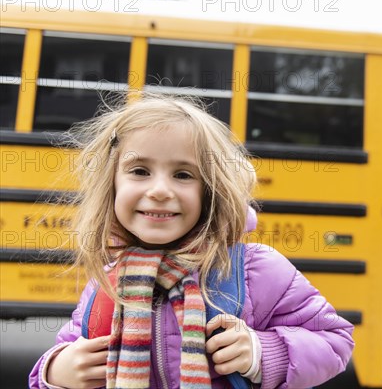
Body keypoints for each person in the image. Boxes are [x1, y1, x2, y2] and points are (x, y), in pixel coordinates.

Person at [29, 95, 354, 388]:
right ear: (111, 185)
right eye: (140, 171)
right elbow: (72, 343)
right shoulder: (109, 278)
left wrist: (263, 352)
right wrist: (56, 371)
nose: (159, 190)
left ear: (209, 191)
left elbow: (334, 340)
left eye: (183, 175)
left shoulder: (252, 269)